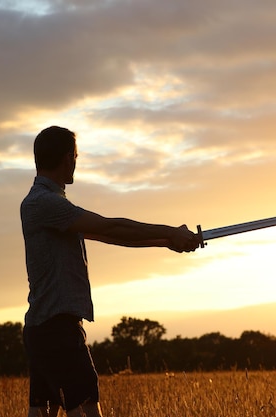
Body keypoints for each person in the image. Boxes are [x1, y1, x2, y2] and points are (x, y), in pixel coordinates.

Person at [20, 126, 200, 417]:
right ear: (68, 159)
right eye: (75, 156)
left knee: (41, 412)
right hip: (58, 328)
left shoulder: (49, 204)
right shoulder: (46, 203)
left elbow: (112, 236)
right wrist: (170, 231)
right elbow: (109, 226)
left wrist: (168, 242)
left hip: (45, 329)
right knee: (87, 409)